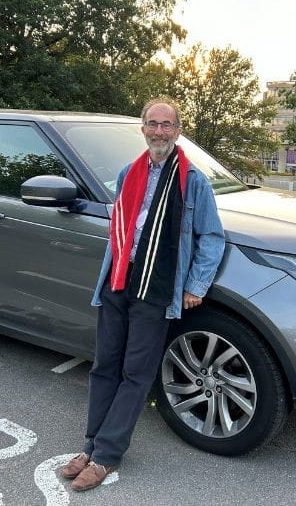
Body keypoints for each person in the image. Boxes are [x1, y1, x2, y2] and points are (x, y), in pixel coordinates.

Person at [59, 97, 226, 492]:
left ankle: (107, 455)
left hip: (157, 286)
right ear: (143, 129)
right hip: (119, 278)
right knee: (104, 365)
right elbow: (122, 228)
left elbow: (212, 237)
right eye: (152, 123)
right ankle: (90, 444)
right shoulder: (128, 172)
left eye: (167, 125)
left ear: (178, 131)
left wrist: (195, 285)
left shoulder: (193, 181)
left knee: (135, 373)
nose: (159, 131)